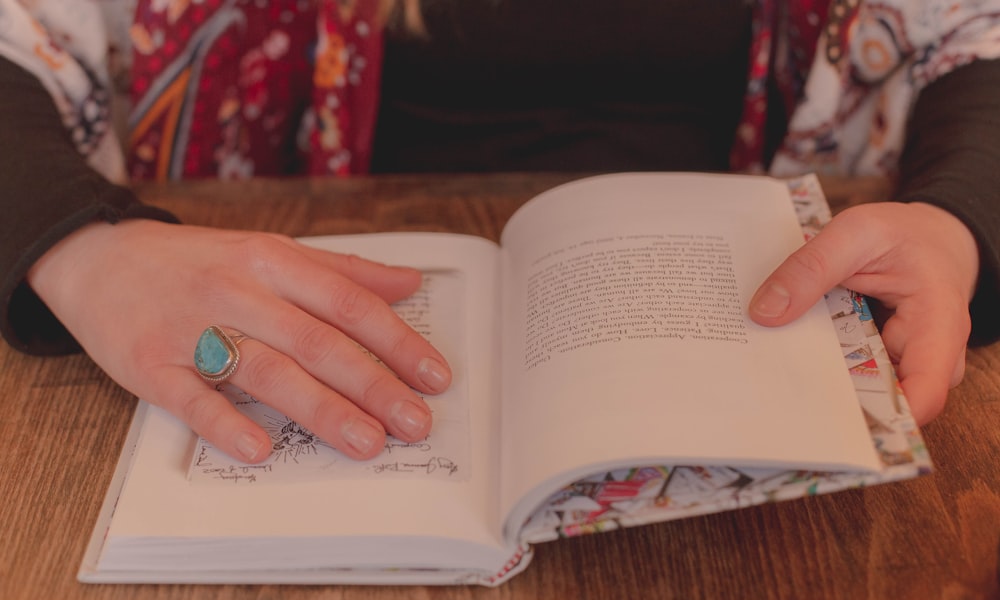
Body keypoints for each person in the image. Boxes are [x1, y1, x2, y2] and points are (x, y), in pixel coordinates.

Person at [1, 0, 998, 465]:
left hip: (751, 306)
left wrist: (955, 222)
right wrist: (78, 244)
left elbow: (974, 34)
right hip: (282, 285)